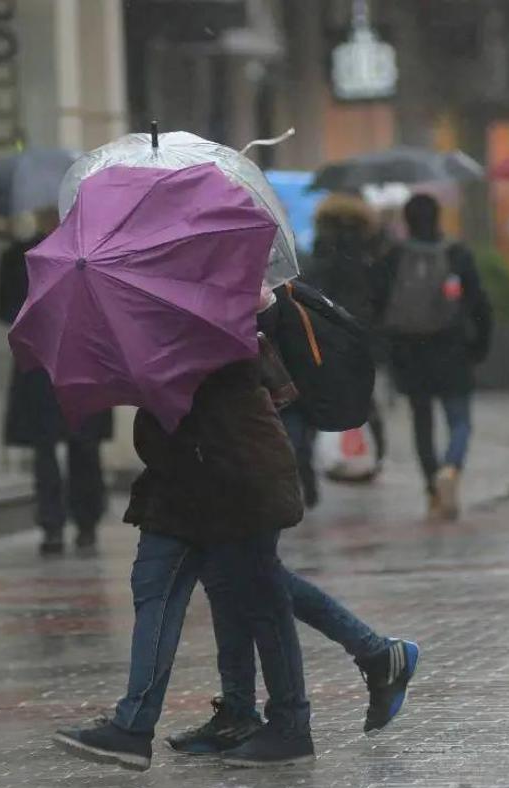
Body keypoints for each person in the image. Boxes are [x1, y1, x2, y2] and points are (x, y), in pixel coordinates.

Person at [164, 293, 419, 756]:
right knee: (227, 576)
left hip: (248, 448)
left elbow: (244, 351)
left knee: (255, 576)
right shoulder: (198, 274)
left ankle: (298, 714)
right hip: (217, 449)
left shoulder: (239, 275)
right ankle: (242, 711)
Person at [52, 325, 314, 770]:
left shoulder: (217, 316)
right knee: (170, 586)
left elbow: (211, 395)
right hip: (189, 482)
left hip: (229, 482)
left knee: (263, 595)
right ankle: (139, 725)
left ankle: (294, 719)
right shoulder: (166, 316)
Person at [0, 209, 112, 556]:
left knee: (75, 446)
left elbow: (3, 310)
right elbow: (4, 308)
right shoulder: (24, 258)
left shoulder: (84, 254)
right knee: (61, 446)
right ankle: (67, 523)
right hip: (57, 360)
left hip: (68, 360)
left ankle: (72, 523)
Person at [376, 195, 492, 520]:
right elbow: (480, 304)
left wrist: (386, 350)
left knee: (422, 422)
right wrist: (479, 345)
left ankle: (431, 489)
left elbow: (379, 304)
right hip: (452, 349)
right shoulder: (457, 254)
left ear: (408, 220)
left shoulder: (393, 257)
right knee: (460, 420)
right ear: (439, 216)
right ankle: (451, 468)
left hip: (410, 353)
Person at [302, 193, 387, 469]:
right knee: (364, 393)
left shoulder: (320, 249)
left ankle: (307, 462)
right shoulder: (367, 252)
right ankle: (377, 452)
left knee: (318, 393)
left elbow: (309, 287)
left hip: (323, 330)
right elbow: (377, 294)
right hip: (359, 332)